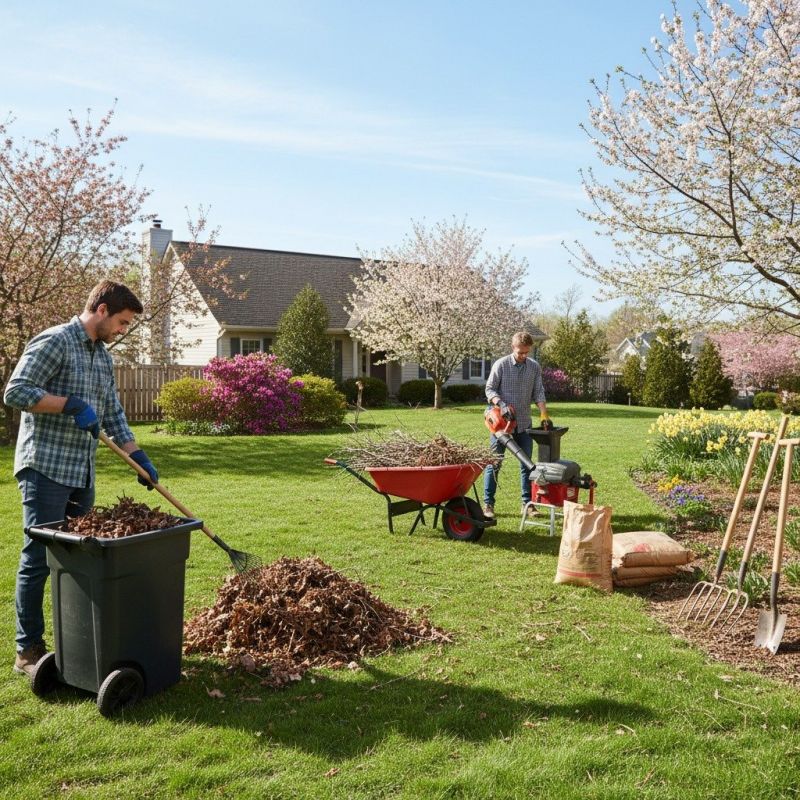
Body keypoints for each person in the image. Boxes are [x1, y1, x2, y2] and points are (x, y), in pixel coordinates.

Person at [4, 281, 159, 677]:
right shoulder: (56, 341)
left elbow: (114, 415)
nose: (123, 330)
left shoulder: (102, 358)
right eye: (122, 322)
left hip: (81, 471)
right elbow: (15, 392)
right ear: (103, 310)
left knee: (81, 560)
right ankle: (28, 650)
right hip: (46, 467)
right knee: (38, 557)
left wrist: (137, 455)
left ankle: (79, 641)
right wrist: (68, 404)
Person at [482, 331, 552, 520]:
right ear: (513, 348)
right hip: (501, 425)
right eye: (520, 352)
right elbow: (489, 389)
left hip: (523, 423)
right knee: (494, 464)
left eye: (526, 352)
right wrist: (501, 404)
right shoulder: (502, 365)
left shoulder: (534, 367)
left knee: (526, 465)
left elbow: (539, 392)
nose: (523, 356)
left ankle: (527, 505)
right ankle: (488, 504)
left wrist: (544, 413)